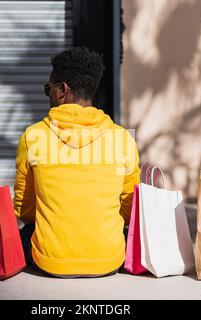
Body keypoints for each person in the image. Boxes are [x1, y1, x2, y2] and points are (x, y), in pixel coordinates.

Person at [13, 47, 140, 278]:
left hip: (49, 262)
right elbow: (130, 209)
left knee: (26, 232)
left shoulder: (33, 136)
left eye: (47, 89)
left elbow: (25, 210)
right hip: (109, 262)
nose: (48, 94)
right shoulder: (122, 138)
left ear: (62, 90)